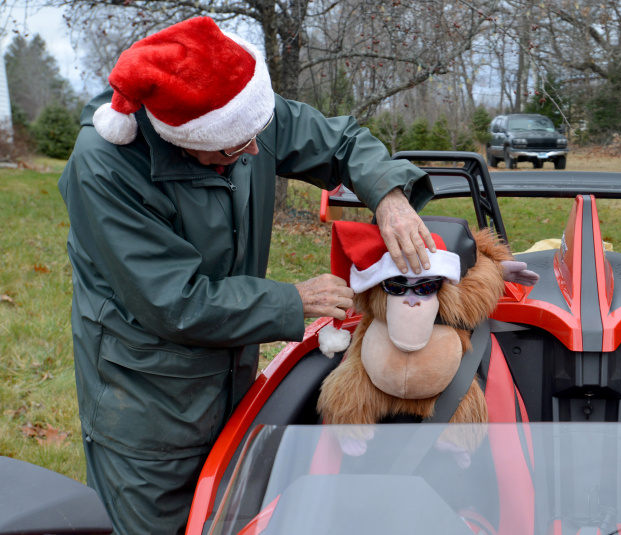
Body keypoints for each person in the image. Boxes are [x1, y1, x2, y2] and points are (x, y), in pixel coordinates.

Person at [58, 17, 437, 534]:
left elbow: (339, 141)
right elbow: (174, 302)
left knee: (229, 516)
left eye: (258, 134)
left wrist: (389, 195)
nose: (257, 152)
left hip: (231, 383)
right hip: (145, 405)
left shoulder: (238, 109)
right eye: (237, 148)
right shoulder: (106, 167)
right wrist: (291, 300)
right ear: (185, 137)